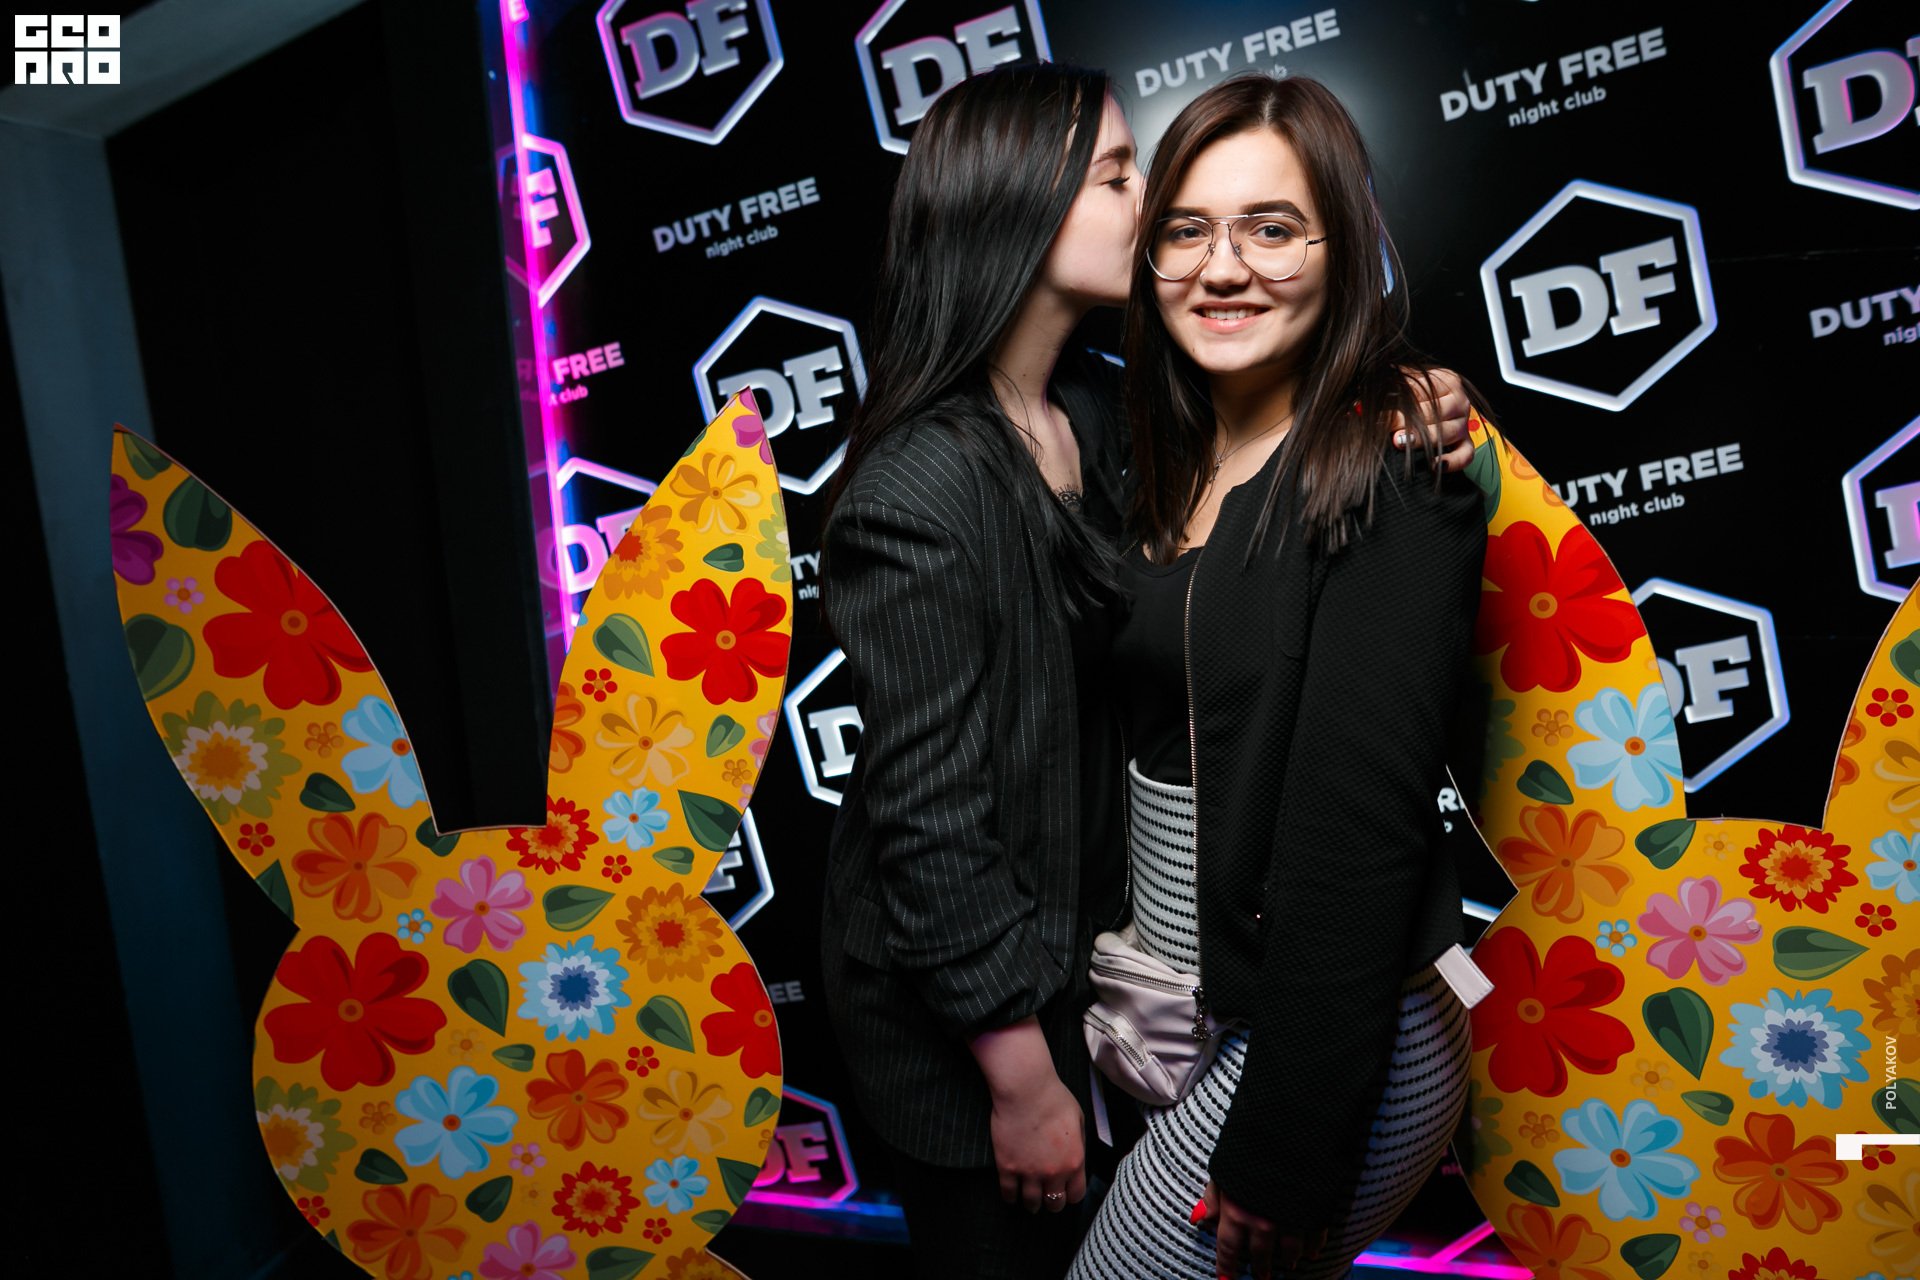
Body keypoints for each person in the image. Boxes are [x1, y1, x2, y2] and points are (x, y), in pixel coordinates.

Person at [816, 65, 1473, 1280]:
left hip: (1148, 995)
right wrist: (1022, 1073)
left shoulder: (1107, 413)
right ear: (1021, 205)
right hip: (989, 1017)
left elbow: (1355, 820)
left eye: (1268, 227)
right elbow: (928, 821)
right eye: (1125, 180)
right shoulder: (929, 486)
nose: (1161, 214)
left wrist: (1396, 391)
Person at [1070, 75, 1489, 1280]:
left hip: (1325, 1031)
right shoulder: (1155, 454)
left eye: (1272, 228)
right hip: (1185, 1004)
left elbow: (1359, 832)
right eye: (1188, 230)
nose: (1224, 268)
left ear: (1341, 245)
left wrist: (1291, 1139)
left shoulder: (1390, 471)